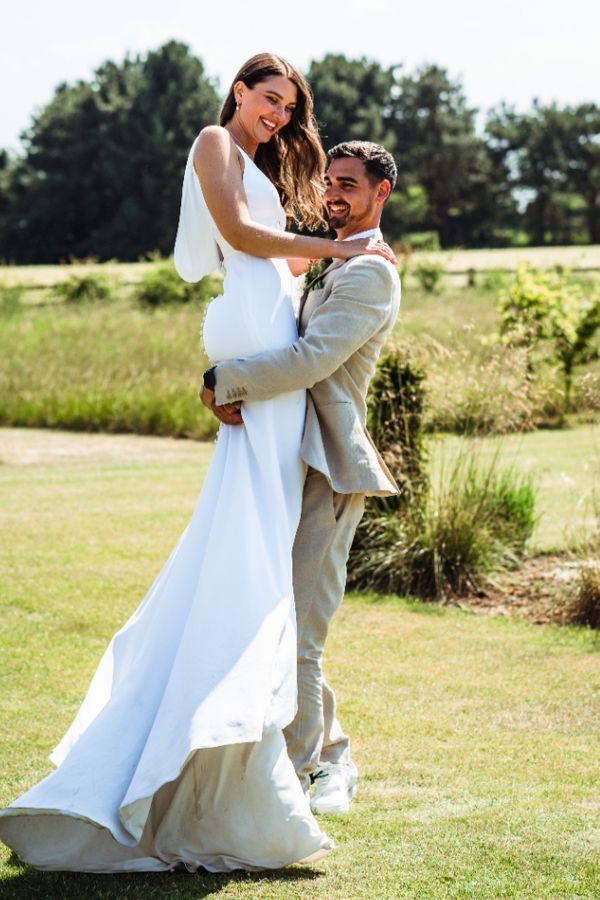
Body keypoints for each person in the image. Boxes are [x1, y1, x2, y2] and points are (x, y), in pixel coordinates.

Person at [0, 54, 395, 874]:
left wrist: (242, 364)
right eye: (270, 98)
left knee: (284, 608)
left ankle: (315, 759)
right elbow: (250, 245)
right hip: (267, 411)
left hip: (298, 424)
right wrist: (325, 244)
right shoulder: (218, 144)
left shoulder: (344, 252)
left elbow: (301, 312)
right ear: (240, 94)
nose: (279, 115)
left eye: (290, 106)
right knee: (255, 592)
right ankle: (275, 761)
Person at [200, 140, 401, 815]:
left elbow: (313, 358)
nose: (332, 193)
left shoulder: (371, 272)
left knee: (303, 629)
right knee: (283, 617)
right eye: (327, 182)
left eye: (347, 184)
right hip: (287, 456)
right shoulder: (330, 260)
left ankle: (304, 773)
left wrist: (227, 379)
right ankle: (331, 752)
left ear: (381, 194)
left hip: (328, 466)